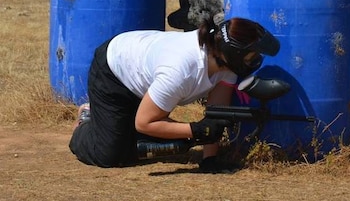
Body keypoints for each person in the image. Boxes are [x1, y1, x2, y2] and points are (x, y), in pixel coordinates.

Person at [68, 15, 280, 172]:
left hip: (145, 78)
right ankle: (86, 121)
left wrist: (209, 160)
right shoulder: (181, 70)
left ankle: (114, 123)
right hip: (113, 70)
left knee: (170, 144)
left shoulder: (225, 65)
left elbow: (217, 114)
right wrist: (195, 130)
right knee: (110, 155)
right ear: (235, 53)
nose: (255, 61)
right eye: (252, 56)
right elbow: (144, 123)